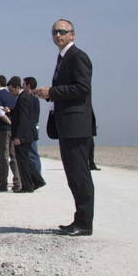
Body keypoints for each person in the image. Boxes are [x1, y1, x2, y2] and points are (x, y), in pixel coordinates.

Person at [34, 20, 95, 237]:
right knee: (73, 175)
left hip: (77, 125)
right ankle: (79, 220)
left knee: (80, 175)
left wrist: (53, 91)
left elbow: (82, 88)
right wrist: (50, 93)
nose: (58, 35)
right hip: (67, 125)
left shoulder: (78, 57)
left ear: (72, 35)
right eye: (54, 32)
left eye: (62, 31)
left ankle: (85, 223)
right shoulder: (63, 58)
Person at [10, 76, 44, 193]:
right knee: (25, 159)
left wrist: (18, 136)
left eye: (11, 90)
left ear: (17, 87)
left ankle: (27, 185)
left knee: (23, 160)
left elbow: (23, 118)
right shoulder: (24, 97)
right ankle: (37, 180)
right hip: (26, 133)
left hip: (24, 135)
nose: (10, 93)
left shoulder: (24, 97)